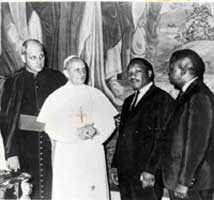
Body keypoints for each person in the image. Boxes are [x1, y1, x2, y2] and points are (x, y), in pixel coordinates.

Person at [37, 56, 118, 200]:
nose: (81, 74)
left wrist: (96, 131)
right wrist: (75, 132)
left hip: (92, 151)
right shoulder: (57, 97)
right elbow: (50, 126)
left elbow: (109, 122)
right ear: (66, 73)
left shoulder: (95, 94)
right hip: (68, 153)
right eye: (76, 70)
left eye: (83, 70)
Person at [0, 39, 67, 199]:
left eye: (41, 56)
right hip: (25, 145)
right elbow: (7, 120)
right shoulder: (14, 81)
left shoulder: (57, 78)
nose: (39, 61)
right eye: (33, 57)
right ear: (23, 58)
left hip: (54, 142)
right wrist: (12, 153)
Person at [111, 58, 174, 200]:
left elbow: (163, 140)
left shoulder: (162, 99)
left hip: (146, 175)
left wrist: (151, 170)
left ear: (150, 73)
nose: (133, 76)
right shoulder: (128, 102)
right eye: (130, 73)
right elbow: (122, 136)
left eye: (138, 71)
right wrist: (116, 165)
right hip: (126, 173)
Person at [160, 49, 214, 200]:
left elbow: (196, 144)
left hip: (191, 183)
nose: (169, 73)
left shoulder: (198, 96)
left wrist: (184, 182)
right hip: (185, 180)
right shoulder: (188, 93)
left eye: (172, 69)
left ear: (183, 71)